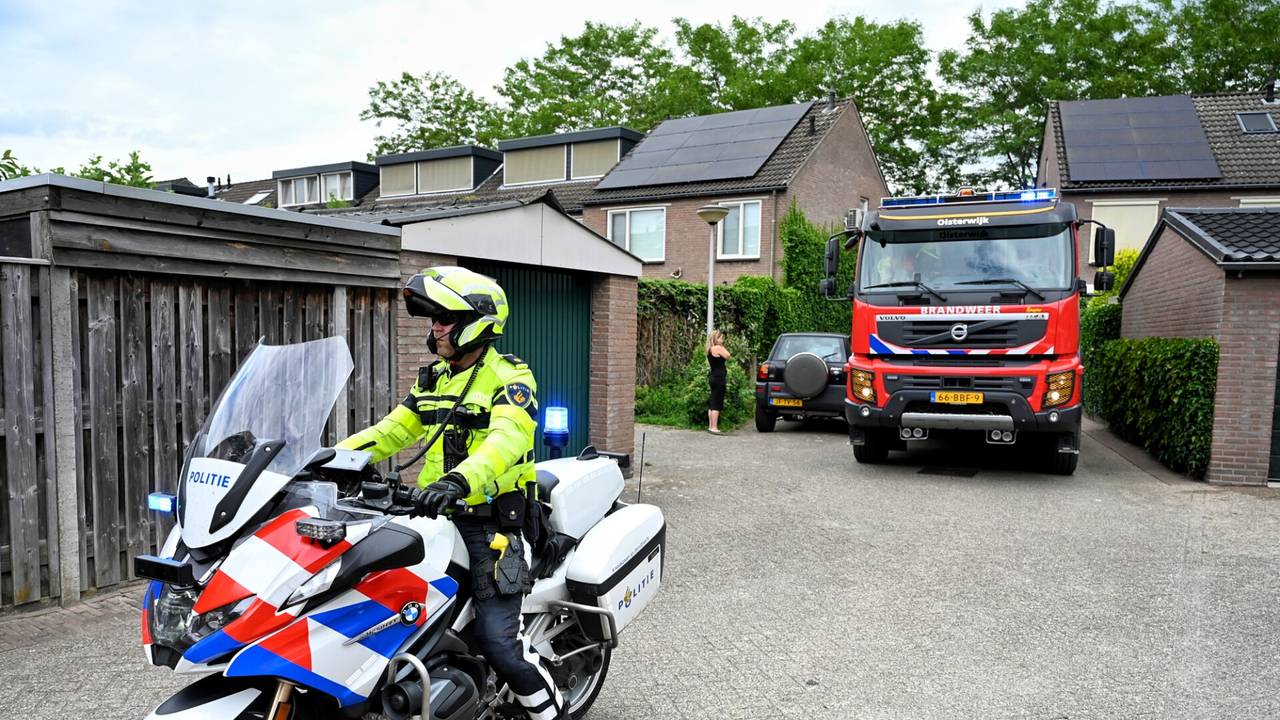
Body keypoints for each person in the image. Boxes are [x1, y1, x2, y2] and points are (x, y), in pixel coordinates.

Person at [336, 266, 566, 720]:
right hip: (436, 518)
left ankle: (548, 713)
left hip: (492, 525)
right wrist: (331, 458)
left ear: (477, 323)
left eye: (445, 318)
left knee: (500, 644)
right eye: (434, 319)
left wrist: (458, 481)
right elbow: (391, 431)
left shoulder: (509, 376)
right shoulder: (435, 379)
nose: (436, 327)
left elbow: (506, 440)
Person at [706, 330, 731, 434]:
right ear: (715, 339)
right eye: (720, 338)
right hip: (719, 378)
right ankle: (714, 427)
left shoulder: (710, 349)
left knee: (713, 401)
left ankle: (710, 426)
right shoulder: (718, 348)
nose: (722, 340)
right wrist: (722, 346)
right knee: (717, 402)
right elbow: (728, 356)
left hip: (713, 377)